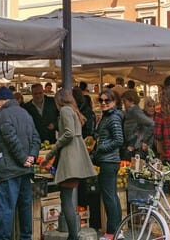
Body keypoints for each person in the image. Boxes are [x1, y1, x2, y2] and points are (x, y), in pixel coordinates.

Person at [41, 89, 97, 240]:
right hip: (77, 156)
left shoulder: (65, 110)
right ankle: (73, 235)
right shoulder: (73, 110)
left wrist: (52, 151)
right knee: (67, 197)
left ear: (58, 100)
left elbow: (68, 133)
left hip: (70, 157)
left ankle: (73, 236)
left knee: (65, 199)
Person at [0, 86, 40, 240]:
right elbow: (36, 138)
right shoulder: (25, 113)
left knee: (5, 208)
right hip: (25, 170)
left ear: (2, 101)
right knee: (25, 207)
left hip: (9, 169)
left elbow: (10, 139)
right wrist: (31, 156)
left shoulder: (4, 114)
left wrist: (23, 158)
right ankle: (26, 237)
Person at [93, 89, 123, 240]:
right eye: (101, 100)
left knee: (109, 197)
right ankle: (118, 230)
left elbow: (119, 140)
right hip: (108, 160)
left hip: (109, 160)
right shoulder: (107, 116)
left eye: (107, 101)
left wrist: (101, 147)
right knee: (112, 196)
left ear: (115, 102)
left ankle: (112, 232)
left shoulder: (113, 118)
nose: (103, 103)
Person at [121, 89, 154, 161]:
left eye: (125, 101)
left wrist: (144, 141)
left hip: (134, 146)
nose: (124, 104)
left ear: (131, 101)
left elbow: (151, 124)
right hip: (132, 145)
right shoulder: (132, 111)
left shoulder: (134, 110)